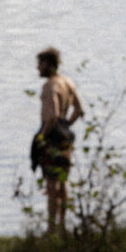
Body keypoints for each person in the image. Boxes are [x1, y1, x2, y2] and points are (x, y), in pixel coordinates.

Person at [32, 47, 84, 233]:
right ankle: (62, 225)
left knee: (51, 182)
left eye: (40, 64)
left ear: (48, 64)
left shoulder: (50, 86)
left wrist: (42, 136)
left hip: (52, 135)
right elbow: (79, 110)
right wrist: (66, 125)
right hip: (65, 135)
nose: (38, 68)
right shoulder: (68, 83)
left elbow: (52, 114)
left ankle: (51, 228)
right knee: (62, 181)